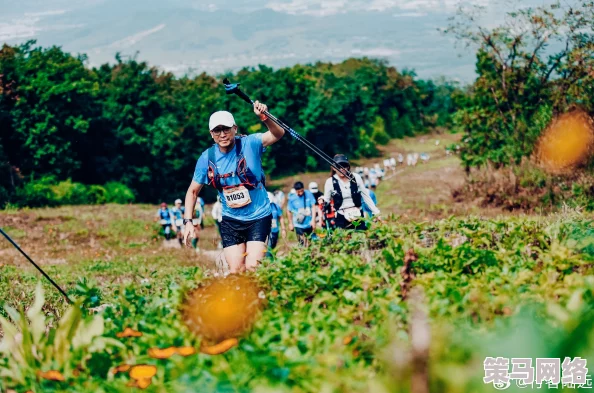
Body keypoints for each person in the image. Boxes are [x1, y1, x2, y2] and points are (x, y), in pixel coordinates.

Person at [182, 103, 285, 273]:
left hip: (258, 216)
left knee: (253, 266)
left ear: (235, 129)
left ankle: (260, 294)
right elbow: (192, 192)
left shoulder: (250, 143)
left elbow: (278, 133)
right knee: (237, 270)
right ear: (211, 134)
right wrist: (188, 222)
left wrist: (265, 117)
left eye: (226, 129)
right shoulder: (207, 158)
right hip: (231, 219)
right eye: (217, 130)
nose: (222, 134)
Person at [323, 154, 380, 230]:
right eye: (338, 166)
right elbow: (326, 200)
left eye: (344, 166)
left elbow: (366, 196)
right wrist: (322, 200)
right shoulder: (330, 182)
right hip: (341, 216)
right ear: (333, 168)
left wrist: (376, 212)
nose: (342, 169)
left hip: (358, 215)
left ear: (348, 166)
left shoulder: (356, 177)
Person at [287, 181, 317, 246]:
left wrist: (313, 220)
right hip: (298, 224)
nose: (301, 193)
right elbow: (289, 211)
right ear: (295, 191)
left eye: (302, 191)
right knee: (301, 242)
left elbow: (313, 206)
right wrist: (290, 223)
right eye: (298, 192)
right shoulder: (292, 198)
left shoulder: (309, 194)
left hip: (309, 223)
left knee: (311, 242)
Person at [266, 192, 286, 257]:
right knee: (268, 248)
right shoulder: (263, 208)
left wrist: (283, 229)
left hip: (275, 231)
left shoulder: (276, 206)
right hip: (267, 233)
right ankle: (269, 263)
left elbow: (281, 218)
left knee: (274, 248)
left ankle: (273, 262)